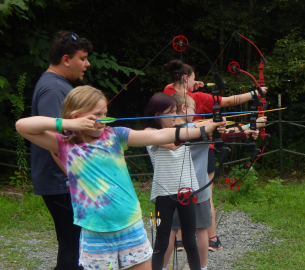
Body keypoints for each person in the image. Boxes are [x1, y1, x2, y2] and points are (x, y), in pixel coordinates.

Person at [16, 86, 225, 270]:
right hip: (95, 233)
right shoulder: (63, 145)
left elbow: (161, 135)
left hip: (130, 227)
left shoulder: (115, 135)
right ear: (77, 116)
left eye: (106, 113)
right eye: (98, 114)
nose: (104, 119)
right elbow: (22, 126)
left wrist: (206, 128)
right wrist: (69, 124)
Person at [163, 59, 267, 251]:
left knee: (180, 193)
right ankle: (212, 239)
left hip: (179, 151)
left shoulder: (168, 94)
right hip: (202, 150)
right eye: (193, 78)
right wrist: (255, 93)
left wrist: (190, 84)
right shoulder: (200, 98)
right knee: (205, 196)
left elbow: (173, 86)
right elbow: (229, 101)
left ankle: (178, 240)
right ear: (186, 77)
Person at [157, 93, 261, 270]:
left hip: (175, 190)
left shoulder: (164, 131)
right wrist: (248, 128)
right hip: (197, 190)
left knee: (170, 232)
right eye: (193, 109)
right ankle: (202, 268)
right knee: (201, 230)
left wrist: (247, 130)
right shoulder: (194, 128)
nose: (195, 113)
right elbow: (220, 132)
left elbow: (223, 134)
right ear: (184, 109)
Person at [30, 30, 92, 270]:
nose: (87, 64)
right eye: (83, 58)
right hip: (62, 181)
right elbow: (57, 140)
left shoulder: (57, 84)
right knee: (72, 246)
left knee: (75, 243)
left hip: (64, 180)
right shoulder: (55, 89)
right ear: (66, 59)